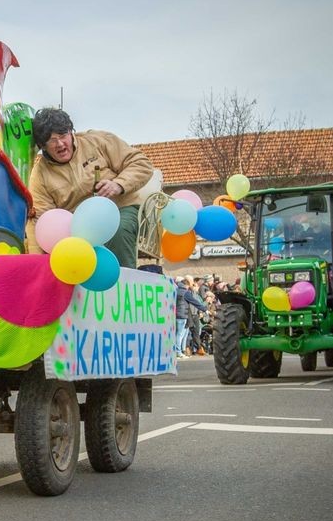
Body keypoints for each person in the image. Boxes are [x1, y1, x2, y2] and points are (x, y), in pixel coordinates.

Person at [25, 108, 154, 268]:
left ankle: (125, 285)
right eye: (51, 140)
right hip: (77, 229)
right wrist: (36, 265)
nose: (60, 144)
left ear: (71, 133)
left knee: (119, 231)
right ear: (42, 146)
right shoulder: (39, 174)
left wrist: (119, 184)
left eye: (63, 136)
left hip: (120, 208)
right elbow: (39, 219)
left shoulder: (97, 140)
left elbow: (142, 163)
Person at [175, 277, 206, 359]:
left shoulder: (176, 290)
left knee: (179, 334)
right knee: (181, 334)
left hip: (176, 315)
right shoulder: (186, 292)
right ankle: (178, 352)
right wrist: (204, 309)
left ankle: (180, 351)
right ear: (187, 284)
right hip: (183, 315)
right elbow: (194, 301)